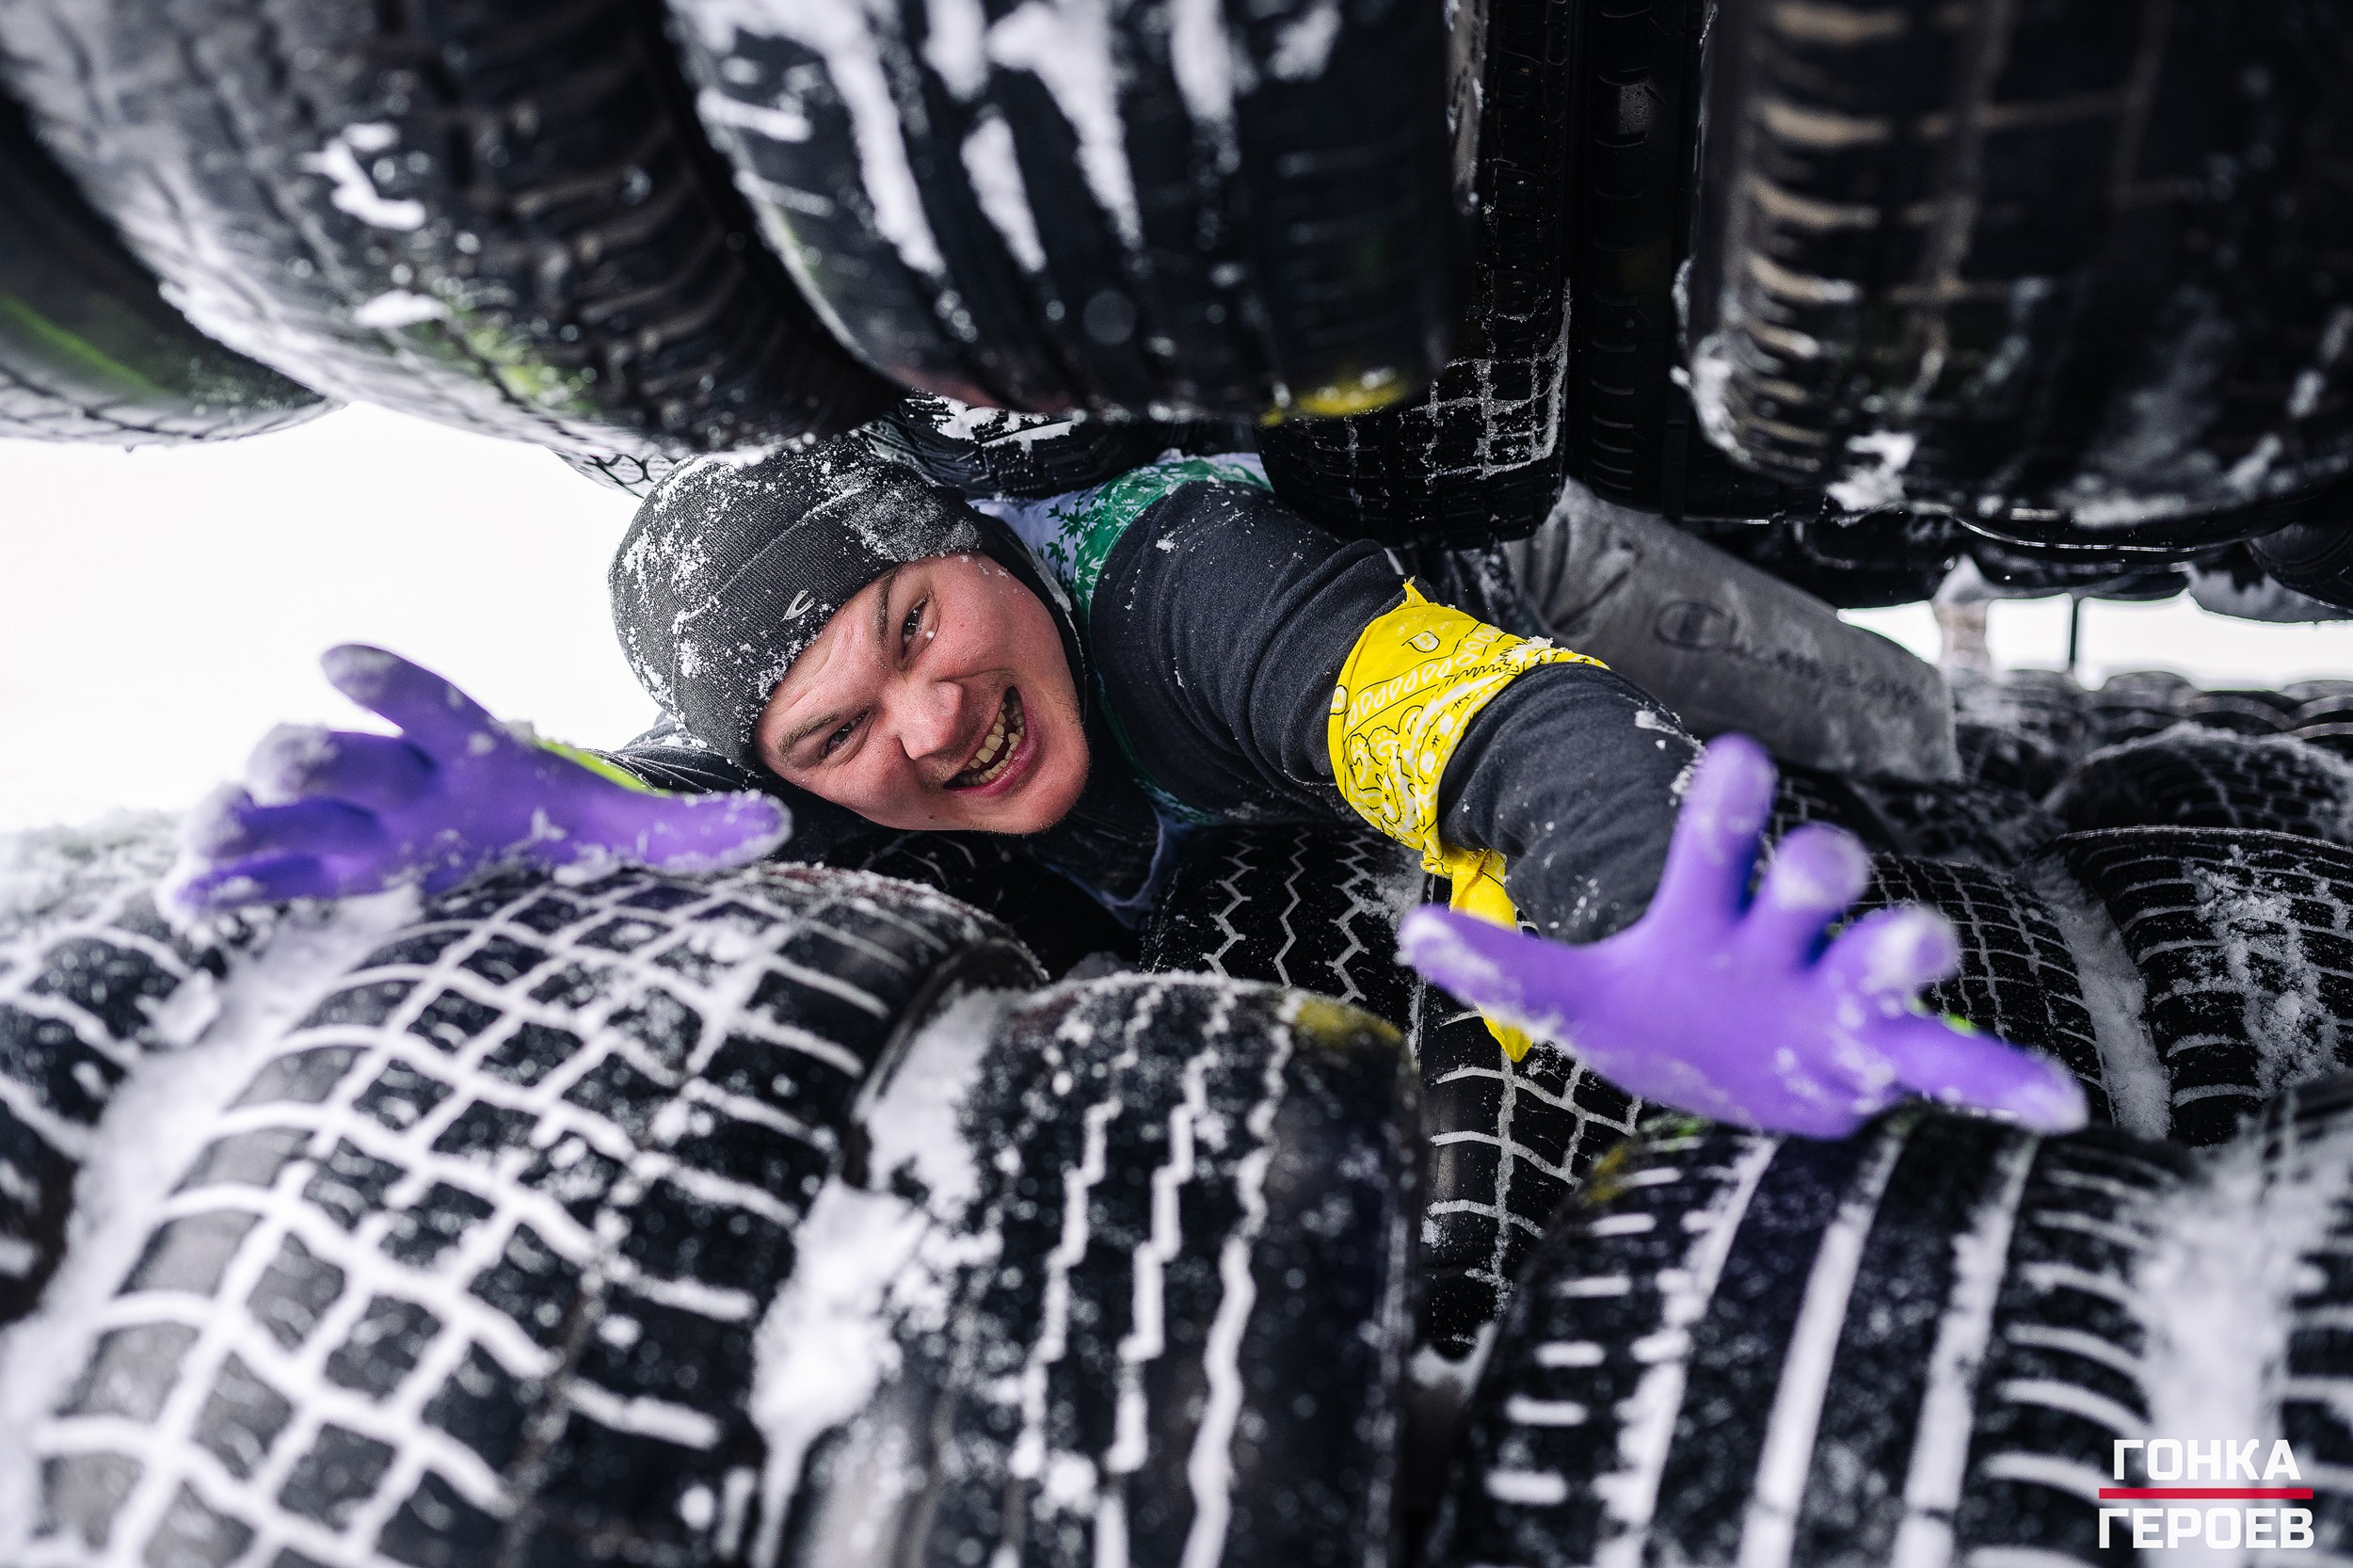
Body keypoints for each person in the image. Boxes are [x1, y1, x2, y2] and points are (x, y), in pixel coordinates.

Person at [164, 440, 2081, 1138]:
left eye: (911, 621)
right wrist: (553, 808)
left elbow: (1497, 731)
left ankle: (1954, 714)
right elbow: (707, 806)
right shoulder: (869, 778)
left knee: (1879, 728)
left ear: (973, 547)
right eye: (832, 730)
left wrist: (1651, 908)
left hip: (1509, 581)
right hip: (1242, 803)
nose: (917, 725)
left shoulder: (1175, 590)